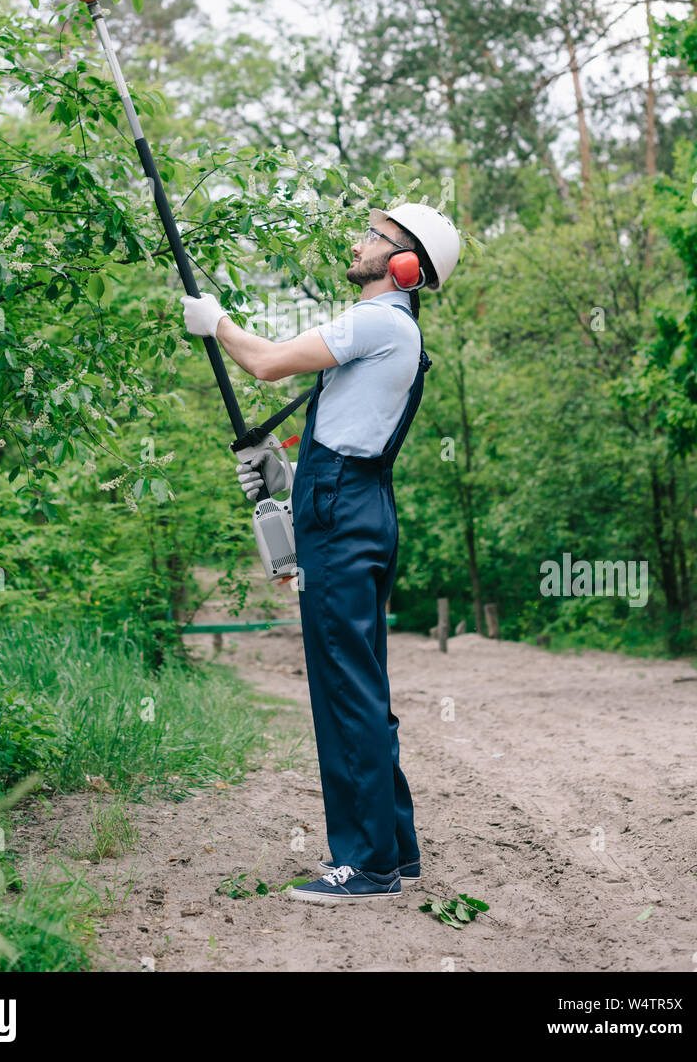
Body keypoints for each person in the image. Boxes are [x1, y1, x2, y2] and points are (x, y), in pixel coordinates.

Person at [181, 203, 460, 903]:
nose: (358, 242)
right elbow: (344, 431)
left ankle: (364, 864)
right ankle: (392, 847)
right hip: (351, 503)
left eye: (376, 237)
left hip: (342, 513)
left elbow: (268, 363)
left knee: (344, 687)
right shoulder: (391, 333)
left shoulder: (378, 318)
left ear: (406, 264)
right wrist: (282, 472)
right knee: (359, 680)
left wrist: (213, 320)